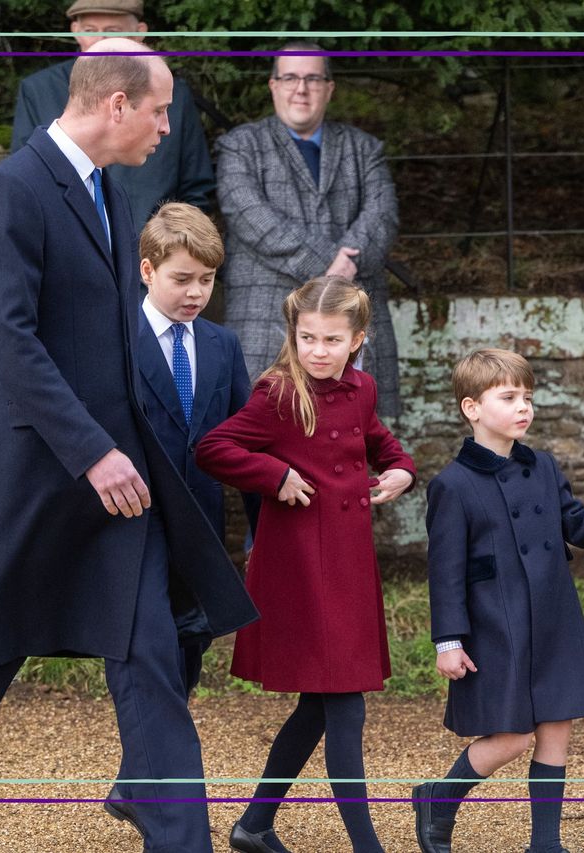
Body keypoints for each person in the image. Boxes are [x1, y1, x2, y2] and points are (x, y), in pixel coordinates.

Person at [0, 41, 257, 853]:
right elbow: (14, 344)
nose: (167, 126)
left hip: (118, 480)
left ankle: (178, 838)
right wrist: (91, 450)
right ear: (116, 105)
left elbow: (117, 341)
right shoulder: (12, 192)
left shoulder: (110, 193)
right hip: (33, 475)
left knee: (151, 651)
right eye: (159, 110)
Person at [412, 348, 584, 853]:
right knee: (511, 737)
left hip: (554, 616)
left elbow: (579, 525)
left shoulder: (545, 468)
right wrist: (449, 639)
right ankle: (438, 799)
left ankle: (547, 843)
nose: (523, 407)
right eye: (508, 397)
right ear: (472, 408)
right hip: (496, 625)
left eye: (527, 397)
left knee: (557, 727)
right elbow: (443, 572)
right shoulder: (452, 484)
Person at [195, 276, 415, 853]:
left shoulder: (362, 389)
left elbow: (381, 443)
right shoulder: (276, 393)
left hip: (349, 562)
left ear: (357, 340)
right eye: (308, 337)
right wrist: (276, 476)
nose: (318, 350)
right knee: (345, 704)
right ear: (293, 335)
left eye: (332, 340)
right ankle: (368, 847)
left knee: (320, 703)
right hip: (300, 566)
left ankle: (254, 824)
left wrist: (401, 470)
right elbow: (214, 447)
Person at [215, 42, 402, 417]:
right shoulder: (240, 146)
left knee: (355, 440)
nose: (301, 88)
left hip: (352, 324)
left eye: (313, 78)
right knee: (268, 446)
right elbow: (251, 216)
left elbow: (383, 215)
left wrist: (349, 261)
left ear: (329, 88)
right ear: (273, 85)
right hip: (267, 320)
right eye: (290, 78)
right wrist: (334, 265)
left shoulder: (364, 148)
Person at [131, 201, 261, 695]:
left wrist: (259, 534)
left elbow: (245, 442)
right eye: (182, 279)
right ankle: (154, 765)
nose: (196, 293)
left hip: (202, 530)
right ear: (148, 270)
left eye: (206, 280)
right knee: (145, 656)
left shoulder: (222, 345)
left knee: (189, 652)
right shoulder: (116, 339)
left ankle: (162, 765)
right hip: (136, 526)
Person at [10, 0, 216, 227]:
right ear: (76, 32)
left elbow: (196, 190)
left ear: (140, 34)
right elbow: (27, 178)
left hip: (154, 250)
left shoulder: (173, 95)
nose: (100, 41)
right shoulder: (39, 90)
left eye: (113, 32)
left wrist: (170, 248)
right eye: (90, 31)